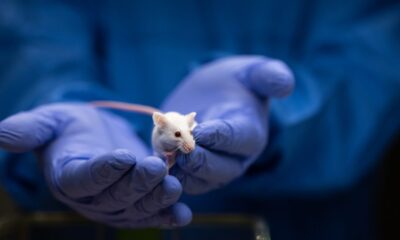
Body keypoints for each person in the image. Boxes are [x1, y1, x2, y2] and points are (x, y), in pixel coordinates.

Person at [0, 0, 399, 239]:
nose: (184, 141)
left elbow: (371, 69)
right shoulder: (164, 135)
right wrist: (54, 101)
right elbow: (32, 43)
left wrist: (275, 120)